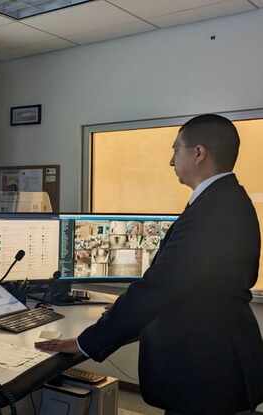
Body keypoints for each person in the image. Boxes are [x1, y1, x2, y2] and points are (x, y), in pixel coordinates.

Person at [36, 114, 263, 414]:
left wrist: (84, 343)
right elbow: (189, 288)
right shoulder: (230, 199)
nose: (171, 161)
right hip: (220, 360)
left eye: (175, 150)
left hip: (207, 370)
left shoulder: (211, 212)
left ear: (198, 153)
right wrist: (122, 313)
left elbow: (158, 289)